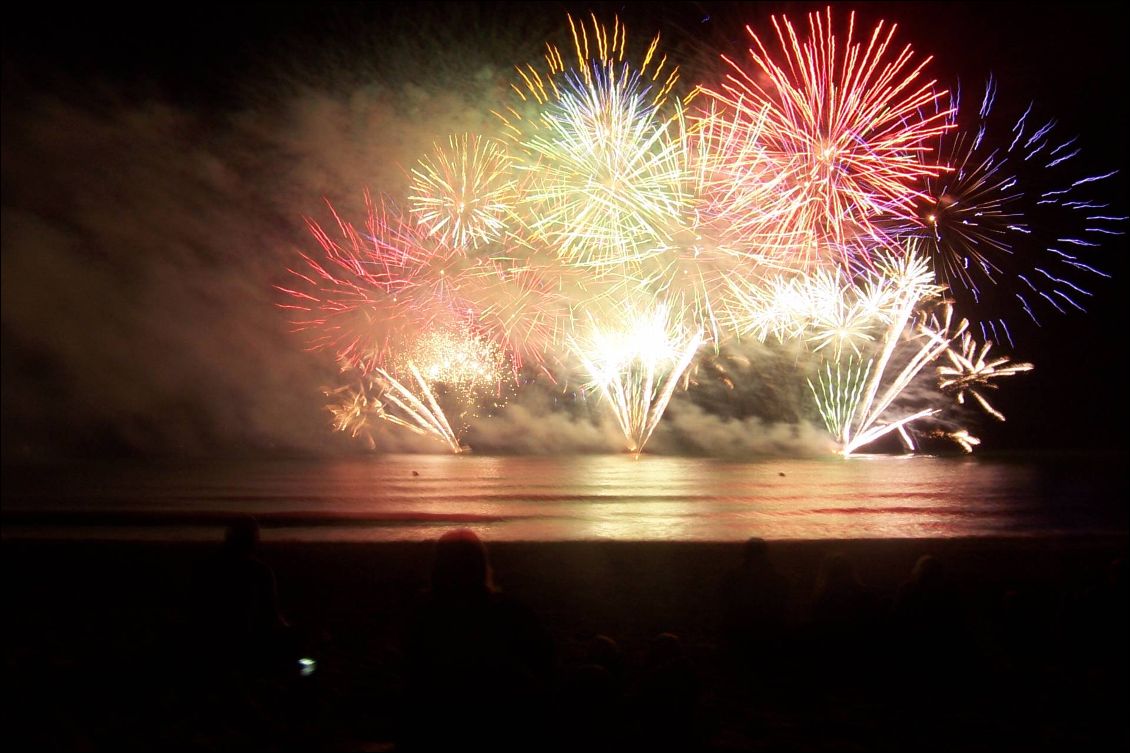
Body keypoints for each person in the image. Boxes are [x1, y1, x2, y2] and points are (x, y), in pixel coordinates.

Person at [401, 529, 553, 750]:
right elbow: (544, 660)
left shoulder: (423, 614)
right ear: (482, 565)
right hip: (501, 722)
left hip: (435, 723)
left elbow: (414, 674)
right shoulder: (508, 611)